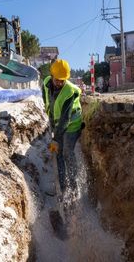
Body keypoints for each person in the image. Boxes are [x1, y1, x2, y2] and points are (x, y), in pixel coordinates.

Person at [42, 59, 83, 201]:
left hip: (72, 125)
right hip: (58, 124)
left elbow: (65, 120)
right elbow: (47, 102)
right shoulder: (46, 83)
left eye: (62, 80)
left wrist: (55, 139)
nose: (60, 83)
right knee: (58, 155)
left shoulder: (69, 92)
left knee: (66, 152)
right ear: (52, 75)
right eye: (57, 80)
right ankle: (63, 189)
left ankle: (74, 186)